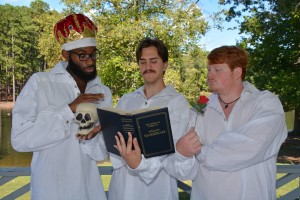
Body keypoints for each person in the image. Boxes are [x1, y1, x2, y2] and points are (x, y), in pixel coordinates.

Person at [165, 45, 288, 200]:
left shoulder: (265, 104)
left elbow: (247, 148)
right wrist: (182, 153)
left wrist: (199, 152)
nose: (210, 74)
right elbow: (183, 171)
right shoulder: (199, 110)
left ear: (237, 72)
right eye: (209, 69)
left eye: (217, 70)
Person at [11, 13, 112, 200]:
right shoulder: (40, 83)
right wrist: (68, 110)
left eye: (93, 54)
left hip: (89, 191)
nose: (90, 61)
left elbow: (100, 155)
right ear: (65, 54)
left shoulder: (102, 92)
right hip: (51, 191)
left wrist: (91, 137)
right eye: (82, 55)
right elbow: (19, 139)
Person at [107, 38, 190, 200]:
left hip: (156, 188)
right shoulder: (126, 100)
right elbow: (115, 143)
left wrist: (139, 163)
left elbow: (170, 150)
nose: (148, 67)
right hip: (122, 187)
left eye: (153, 61)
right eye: (143, 62)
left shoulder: (176, 102)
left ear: (164, 65)